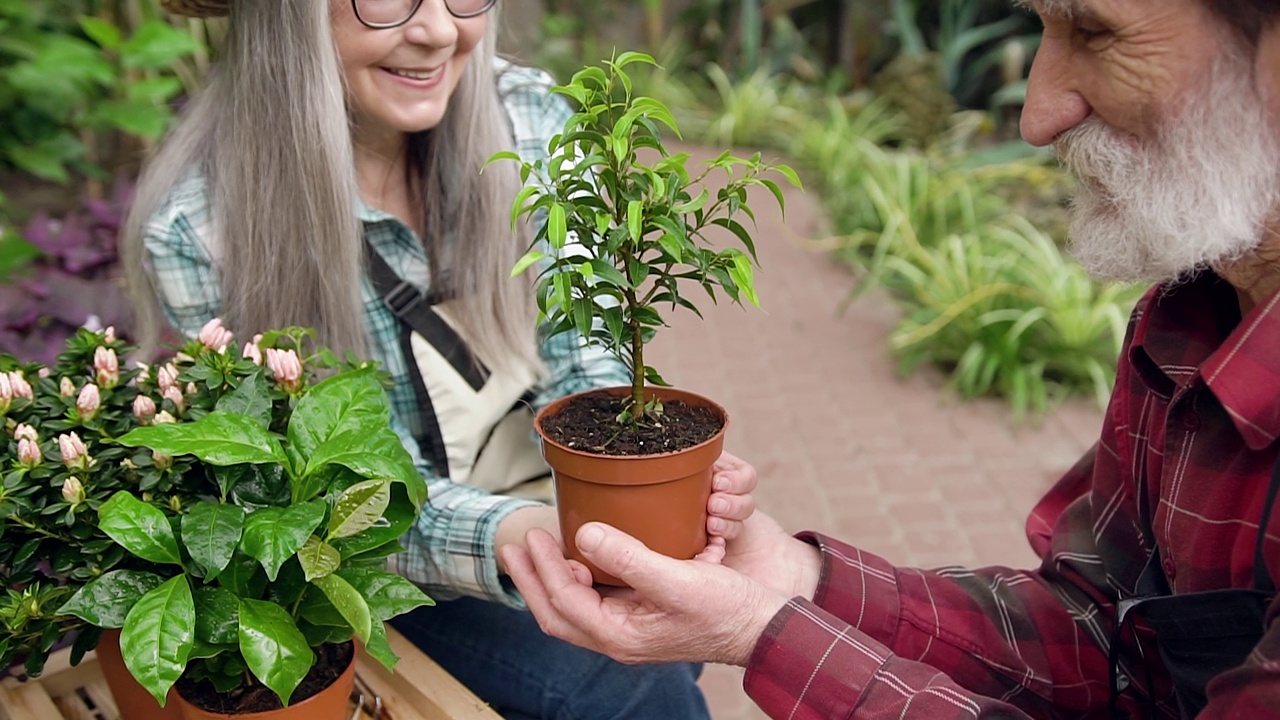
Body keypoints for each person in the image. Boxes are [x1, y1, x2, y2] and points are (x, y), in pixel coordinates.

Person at [501, 1, 1280, 717]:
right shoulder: (1185, 321)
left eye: (1096, 32)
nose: (1038, 116)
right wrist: (797, 584)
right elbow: (1097, 639)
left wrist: (761, 634)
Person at [121, 1, 755, 717]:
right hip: (399, 566)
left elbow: (587, 354)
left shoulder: (530, 118)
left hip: (546, 496)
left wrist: (639, 487)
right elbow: (327, 495)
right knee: (630, 687)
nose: (439, 31)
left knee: (672, 624)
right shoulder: (203, 229)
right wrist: (521, 539)